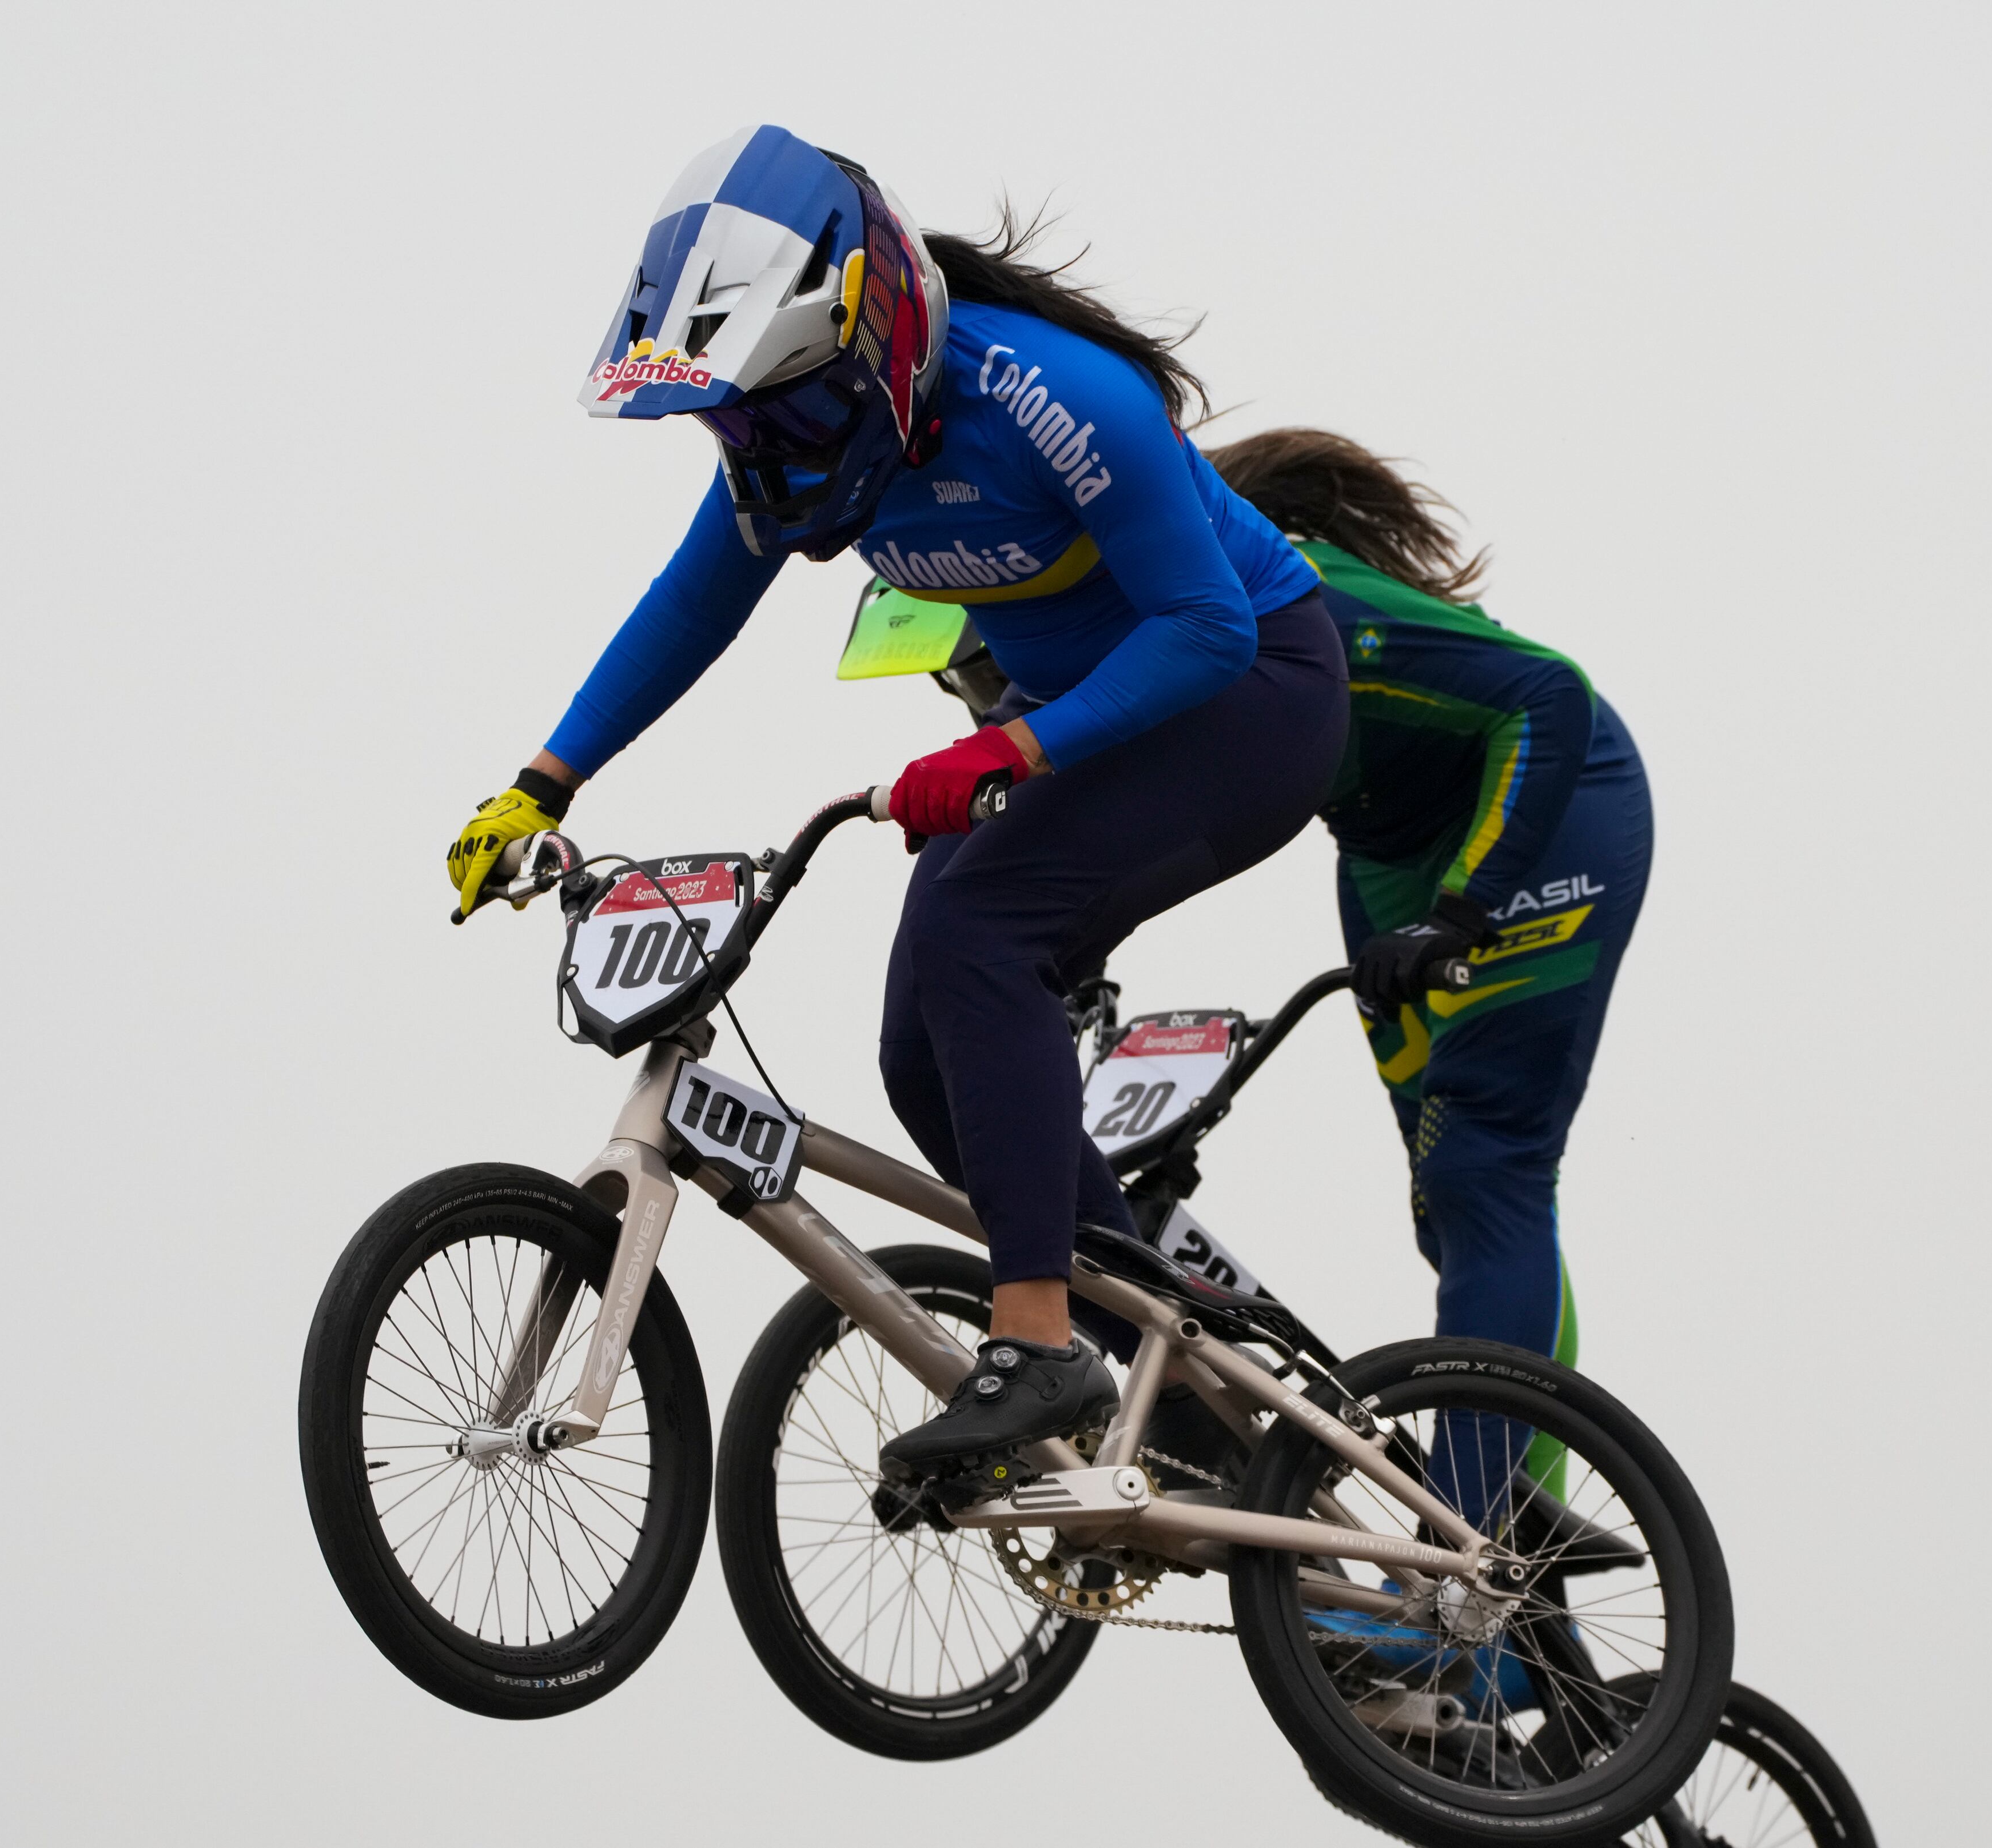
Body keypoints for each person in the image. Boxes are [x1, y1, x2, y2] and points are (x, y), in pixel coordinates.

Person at [445, 126, 1345, 1480]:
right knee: (925, 1053)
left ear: (877, 339)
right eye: (731, 418)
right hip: (1084, 732)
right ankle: (1178, 1372)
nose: (762, 450)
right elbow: (690, 607)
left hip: (1251, 699)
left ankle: (1040, 1346)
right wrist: (538, 786)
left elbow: (1207, 630)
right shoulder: (795, 453)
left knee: (984, 934)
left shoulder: (1056, 398)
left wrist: (1012, 750)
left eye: (786, 409)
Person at [843, 430, 1650, 1499]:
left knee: (1483, 1172)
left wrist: (1468, 908)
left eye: (980, 669)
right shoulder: (1110, 652)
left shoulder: (1316, 608)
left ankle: (1488, 1554)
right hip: (1382, 852)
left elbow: (1549, 696)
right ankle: (1521, 1597)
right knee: (1446, 1200)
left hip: (1548, 817)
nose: (987, 703)